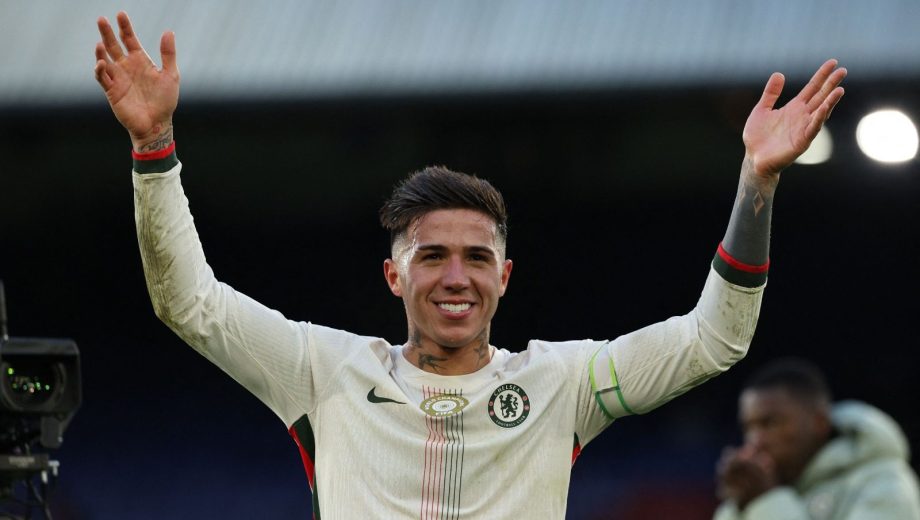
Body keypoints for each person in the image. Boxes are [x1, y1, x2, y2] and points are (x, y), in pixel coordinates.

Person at [93, 11, 846, 519]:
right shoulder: (322, 371)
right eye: (433, 256)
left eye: (477, 257)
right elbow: (188, 303)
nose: (457, 276)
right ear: (395, 276)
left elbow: (714, 339)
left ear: (504, 277)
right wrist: (154, 148)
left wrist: (757, 182)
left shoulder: (563, 384)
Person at [714, 358, 920, 519]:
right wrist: (737, 507)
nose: (755, 440)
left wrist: (767, 500)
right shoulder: (762, 489)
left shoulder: (886, 485)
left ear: (819, 423)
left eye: (771, 423)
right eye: (748, 427)